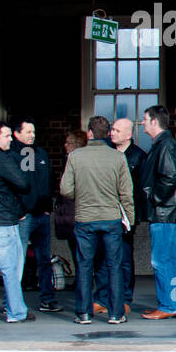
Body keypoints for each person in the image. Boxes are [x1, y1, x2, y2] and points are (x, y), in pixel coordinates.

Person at [59, 115, 134, 325]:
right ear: (107, 134)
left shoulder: (75, 157)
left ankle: (83, 313)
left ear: (90, 133)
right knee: (114, 265)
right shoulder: (118, 158)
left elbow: (65, 189)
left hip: (85, 218)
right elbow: (126, 193)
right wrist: (130, 219)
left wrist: (81, 196)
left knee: (84, 265)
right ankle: (116, 313)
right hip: (111, 218)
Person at [0, 120, 33, 323]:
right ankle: (16, 312)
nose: (11, 139)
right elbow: (22, 183)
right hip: (1, 221)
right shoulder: (1, 158)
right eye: (7, 136)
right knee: (11, 269)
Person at [92, 118, 146, 316]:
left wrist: (132, 217)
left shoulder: (138, 157)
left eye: (116, 130)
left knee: (123, 258)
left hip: (124, 215)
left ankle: (124, 299)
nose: (112, 133)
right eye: (111, 129)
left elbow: (141, 190)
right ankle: (102, 298)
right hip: (103, 211)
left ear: (128, 135)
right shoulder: (104, 152)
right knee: (101, 257)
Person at [139, 105, 176, 320]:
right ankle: (174, 303)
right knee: (171, 260)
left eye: (145, 119)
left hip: (163, 212)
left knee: (161, 260)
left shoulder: (164, 145)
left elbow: (170, 177)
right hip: (168, 212)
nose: (142, 123)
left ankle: (167, 305)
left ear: (154, 121)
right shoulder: (166, 143)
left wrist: (153, 198)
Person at [10, 118, 58, 313]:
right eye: (28, 131)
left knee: (44, 259)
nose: (32, 135)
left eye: (33, 131)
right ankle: (11, 303)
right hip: (26, 216)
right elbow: (19, 186)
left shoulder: (39, 153)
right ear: (17, 133)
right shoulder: (14, 155)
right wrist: (21, 211)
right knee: (17, 260)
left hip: (42, 214)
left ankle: (47, 299)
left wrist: (47, 207)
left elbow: (48, 181)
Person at [54, 130, 87, 267]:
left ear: (76, 144)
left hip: (74, 210)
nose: (65, 145)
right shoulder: (70, 160)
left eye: (68, 143)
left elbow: (67, 189)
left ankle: (83, 281)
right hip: (73, 211)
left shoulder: (74, 161)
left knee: (78, 248)